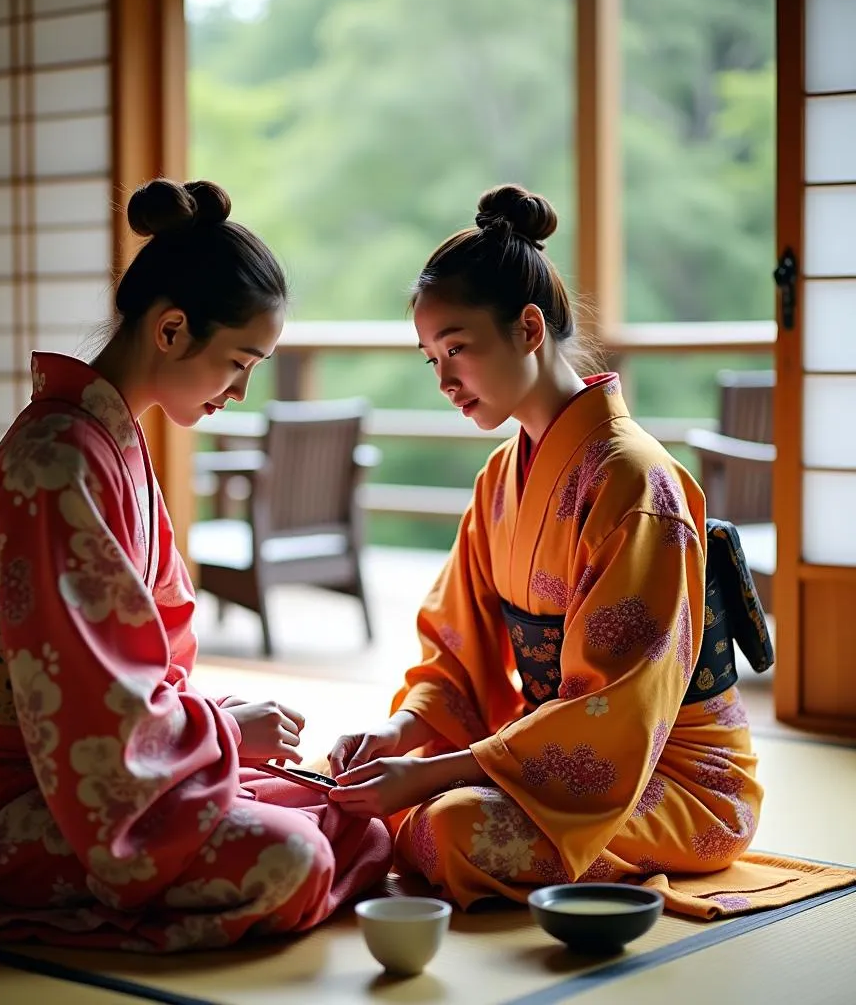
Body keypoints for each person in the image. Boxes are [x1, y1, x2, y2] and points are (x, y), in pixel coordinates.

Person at [0, 178, 391, 949]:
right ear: (171, 330)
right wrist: (226, 733)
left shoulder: (112, 446)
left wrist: (209, 734)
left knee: (348, 814)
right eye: (239, 362)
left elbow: (143, 666)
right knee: (295, 856)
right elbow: (84, 703)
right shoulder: (56, 459)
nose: (241, 391)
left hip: (105, 770)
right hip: (14, 800)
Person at [326, 184, 761, 907]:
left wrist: (435, 774)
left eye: (457, 349)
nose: (445, 381)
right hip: (552, 758)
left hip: (672, 777)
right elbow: (455, 652)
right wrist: (402, 734)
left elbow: (616, 712)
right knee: (355, 793)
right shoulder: (500, 479)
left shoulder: (636, 480)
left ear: (529, 329)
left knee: (448, 829)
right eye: (430, 359)